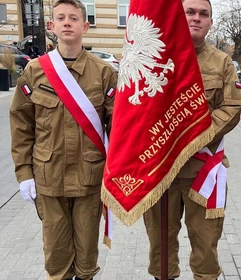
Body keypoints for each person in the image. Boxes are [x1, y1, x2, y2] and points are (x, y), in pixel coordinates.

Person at [9, 0, 117, 279]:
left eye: (73, 17)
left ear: (85, 25)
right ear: (52, 26)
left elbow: (117, 127)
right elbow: (22, 126)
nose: (67, 22)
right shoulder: (34, 71)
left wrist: (119, 174)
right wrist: (23, 174)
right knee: (56, 260)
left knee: (86, 261)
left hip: (89, 179)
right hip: (49, 179)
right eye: (61, 18)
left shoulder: (104, 72)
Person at [142, 0, 241, 279]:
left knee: (206, 249)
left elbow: (233, 107)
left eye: (204, 14)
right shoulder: (154, 57)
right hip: (160, 173)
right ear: (178, 16)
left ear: (211, 22)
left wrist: (195, 134)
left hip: (203, 172)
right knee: (160, 250)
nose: (197, 18)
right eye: (190, 12)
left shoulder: (222, 62)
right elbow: (137, 109)